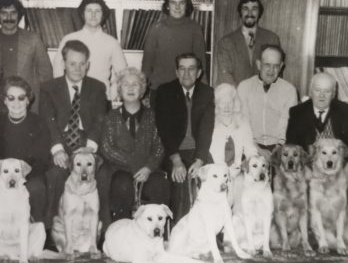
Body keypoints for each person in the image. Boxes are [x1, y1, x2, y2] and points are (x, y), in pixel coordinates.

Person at [40, 40, 107, 229]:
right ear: (63, 64)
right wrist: (57, 150)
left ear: (88, 65)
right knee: (55, 175)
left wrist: (90, 149)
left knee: (102, 176)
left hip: (86, 143)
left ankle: (100, 232)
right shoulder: (48, 87)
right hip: (60, 143)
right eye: (72, 63)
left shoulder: (98, 87)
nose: (77, 68)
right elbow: (48, 121)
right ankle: (51, 231)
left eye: (82, 63)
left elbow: (99, 122)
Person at [98, 68, 169, 233]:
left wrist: (148, 167)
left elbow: (159, 146)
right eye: (125, 85)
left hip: (149, 170)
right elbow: (107, 148)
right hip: (121, 170)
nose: (130, 88)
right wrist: (134, 164)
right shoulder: (111, 117)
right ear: (119, 89)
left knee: (159, 185)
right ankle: (121, 234)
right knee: (121, 185)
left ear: (143, 89)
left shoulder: (153, 116)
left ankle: (156, 235)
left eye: (135, 84)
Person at [0, 76, 51, 228]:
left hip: (29, 173)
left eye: (21, 98)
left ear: (28, 100)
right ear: (5, 100)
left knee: (37, 187)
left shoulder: (39, 123)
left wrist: (19, 176)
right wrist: (6, 176)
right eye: (11, 98)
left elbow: (41, 159)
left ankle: (34, 230)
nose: (16, 103)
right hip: (4, 172)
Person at [286, 72, 348, 212]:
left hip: (337, 164)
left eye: (327, 91)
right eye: (317, 90)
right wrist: (304, 167)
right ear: (310, 91)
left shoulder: (345, 111)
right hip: (309, 165)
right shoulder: (297, 112)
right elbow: (292, 145)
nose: (321, 95)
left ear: (333, 93)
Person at [154, 53, 214, 224]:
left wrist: (201, 160)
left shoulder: (207, 93)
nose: (186, 73)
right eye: (182, 69)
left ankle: (210, 235)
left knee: (213, 177)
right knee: (180, 181)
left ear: (199, 72)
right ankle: (179, 233)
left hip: (197, 152)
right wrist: (177, 161)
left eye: (191, 69)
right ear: (176, 72)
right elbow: (164, 130)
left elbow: (206, 130)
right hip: (173, 152)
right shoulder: (165, 92)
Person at [0, 0, 53, 111]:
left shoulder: (33, 39)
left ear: (19, 15)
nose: (9, 17)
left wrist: (42, 106)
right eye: (4, 13)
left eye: (13, 13)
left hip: (26, 104)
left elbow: (46, 75)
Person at [53, 0, 127, 102]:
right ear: (83, 13)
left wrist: (111, 95)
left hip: (100, 98)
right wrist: (63, 94)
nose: (93, 15)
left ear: (103, 15)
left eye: (97, 11)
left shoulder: (112, 42)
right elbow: (58, 69)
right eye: (89, 10)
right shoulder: (69, 39)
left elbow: (122, 73)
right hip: (72, 98)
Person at [142, 0, 208, 102]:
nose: (177, 7)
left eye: (181, 3)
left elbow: (201, 64)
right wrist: (142, 91)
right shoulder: (156, 28)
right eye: (173, 3)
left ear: (186, 5)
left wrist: (204, 93)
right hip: (159, 90)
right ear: (167, 5)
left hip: (186, 90)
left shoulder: (195, 29)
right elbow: (147, 65)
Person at [237, 44, 297, 151]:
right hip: (250, 145)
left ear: (281, 66)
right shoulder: (244, 87)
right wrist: (257, 150)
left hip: (279, 148)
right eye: (267, 65)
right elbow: (242, 124)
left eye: (276, 66)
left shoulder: (289, 90)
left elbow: (286, 123)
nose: (271, 70)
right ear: (259, 64)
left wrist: (278, 149)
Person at [214, 0, 280, 86]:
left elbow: (275, 76)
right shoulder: (226, 42)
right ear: (240, 12)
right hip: (236, 97)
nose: (249, 13)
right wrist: (242, 97)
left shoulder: (272, 39)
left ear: (259, 13)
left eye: (254, 9)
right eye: (245, 9)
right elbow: (225, 77)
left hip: (264, 98)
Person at [209, 84, 258, 176]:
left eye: (230, 102)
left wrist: (252, 163)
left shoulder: (243, 123)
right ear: (217, 104)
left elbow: (250, 150)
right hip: (215, 175)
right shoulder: (210, 124)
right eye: (222, 102)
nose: (226, 107)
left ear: (235, 103)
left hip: (238, 174)